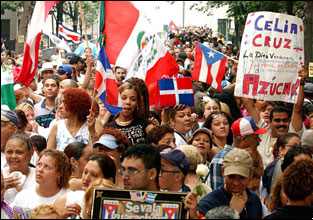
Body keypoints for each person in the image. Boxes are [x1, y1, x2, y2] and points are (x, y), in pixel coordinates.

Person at [185, 148, 263, 219]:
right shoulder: (208, 203)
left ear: (250, 175)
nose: (236, 183)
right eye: (231, 177)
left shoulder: (254, 200)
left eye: (242, 177)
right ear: (222, 172)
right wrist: (232, 213)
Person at [209, 116, 266, 191]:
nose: (259, 141)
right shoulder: (221, 159)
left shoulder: (254, 155)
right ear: (242, 139)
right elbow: (219, 197)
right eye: (255, 137)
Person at [3, 134, 35, 204]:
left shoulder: (39, 176)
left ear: (31, 153)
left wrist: (22, 192)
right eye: (9, 152)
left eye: (19, 152)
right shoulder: (2, 175)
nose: (13, 156)